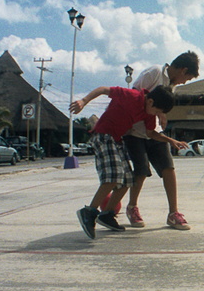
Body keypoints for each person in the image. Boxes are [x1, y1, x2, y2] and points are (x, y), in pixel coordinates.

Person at [71, 85, 182, 239]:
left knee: (128, 180)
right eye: (157, 112)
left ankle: (107, 214)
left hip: (116, 140)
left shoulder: (148, 113)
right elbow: (103, 89)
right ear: (150, 101)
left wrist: (170, 140)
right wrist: (83, 101)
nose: (156, 115)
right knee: (114, 176)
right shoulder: (130, 95)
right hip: (103, 135)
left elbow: (150, 133)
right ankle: (89, 211)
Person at [123, 51, 199, 230]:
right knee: (141, 171)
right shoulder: (155, 72)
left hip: (154, 131)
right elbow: (134, 94)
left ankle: (173, 213)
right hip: (135, 130)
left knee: (168, 168)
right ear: (183, 70)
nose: (184, 82)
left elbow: (161, 104)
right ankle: (132, 207)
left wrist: (162, 113)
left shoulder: (172, 85)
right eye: (186, 79)